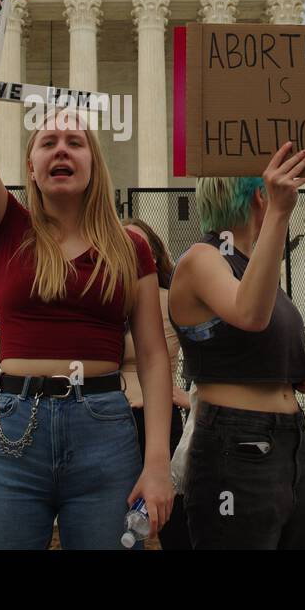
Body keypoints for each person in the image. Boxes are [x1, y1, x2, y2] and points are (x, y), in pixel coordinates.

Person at [0, 0, 174, 550]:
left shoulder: (131, 246)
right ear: (30, 167)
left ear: (94, 164)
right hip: (12, 428)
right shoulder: (9, 227)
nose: (61, 149)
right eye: (47, 142)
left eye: (74, 142)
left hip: (103, 429)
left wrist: (158, 464)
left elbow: (152, 356)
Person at [168, 156, 305, 549]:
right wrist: (280, 213)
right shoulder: (202, 259)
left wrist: (296, 375)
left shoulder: (253, 265)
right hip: (237, 442)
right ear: (260, 194)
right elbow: (250, 315)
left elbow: (252, 341)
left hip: (291, 444)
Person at [120, 216, 192, 549]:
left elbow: (215, 353)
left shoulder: (174, 298)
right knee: (123, 528)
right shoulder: (107, 300)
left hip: (160, 422)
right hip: (114, 423)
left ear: (154, 253)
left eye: (141, 247)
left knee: (176, 524)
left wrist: (193, 398)